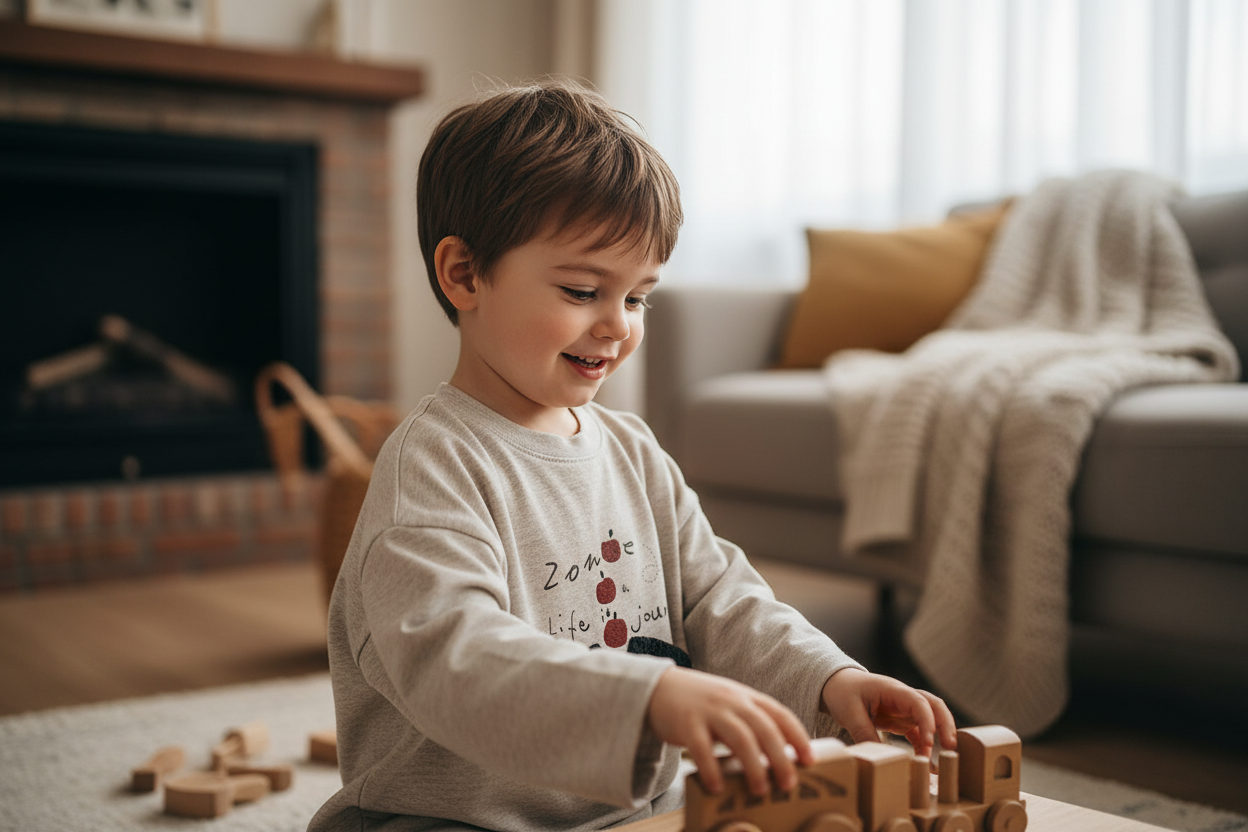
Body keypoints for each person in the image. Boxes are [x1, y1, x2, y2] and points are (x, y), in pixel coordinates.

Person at [308, 79, 956, 832]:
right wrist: (646, 701)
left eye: (639, 297)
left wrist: (827, 677)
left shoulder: (634, 452)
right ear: (465, 275)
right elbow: (454, 657)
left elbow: (719, 599)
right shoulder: (432, 468)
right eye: (584, 290)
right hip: (455, 819)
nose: (617, 326)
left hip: (633, 807)